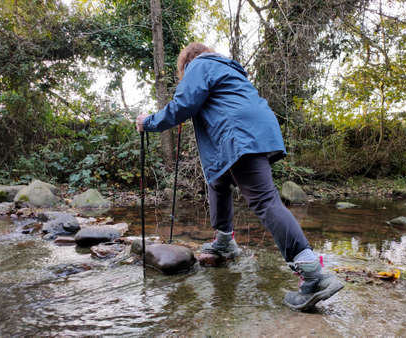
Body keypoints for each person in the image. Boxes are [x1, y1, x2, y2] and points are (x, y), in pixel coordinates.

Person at [136, 42, 343, 311]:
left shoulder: (198, 65)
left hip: (238, 134)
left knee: (265, 201)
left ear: (186, 63)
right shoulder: (228, 71)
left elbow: (183, 104)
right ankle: (224, 241)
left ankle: (314, 275)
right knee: (218, 180)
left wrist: (148, 122)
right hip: (255, 130)